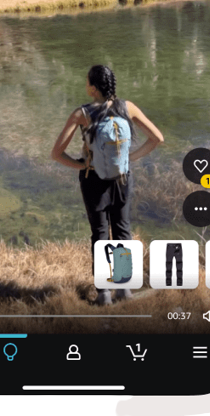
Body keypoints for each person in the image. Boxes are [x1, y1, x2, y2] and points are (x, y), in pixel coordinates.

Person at [51, 64, 164, 305]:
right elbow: (157, 138)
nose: (85, 86)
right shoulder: (128, 107)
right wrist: (129, 158)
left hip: (94, 182)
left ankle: (104, 294)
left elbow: (57, 153)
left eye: (87, 82)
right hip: (122, 178)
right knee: (123, 230)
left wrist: (83, 165)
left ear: (93, 88)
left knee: (100, 234)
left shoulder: (82, 113)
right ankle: (124, 290)